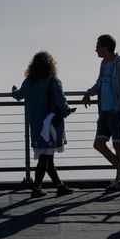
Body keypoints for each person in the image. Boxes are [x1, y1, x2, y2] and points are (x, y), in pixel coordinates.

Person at [12, 51, 74, 198]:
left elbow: (19, 95)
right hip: (50, 125)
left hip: (36, 125)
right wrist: (67, 111)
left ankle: (59, 186)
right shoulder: (53, 80)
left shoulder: (29, 81)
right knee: (45, 158)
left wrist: (13, 91)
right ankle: (36, 188)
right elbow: (60, 100)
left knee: (48, 156)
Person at [82, 34, 120, 192]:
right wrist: (88, 93)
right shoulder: (104, 63)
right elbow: (99, 84)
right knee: (98, 144)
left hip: (116, 112)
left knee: (117, 144)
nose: (96, 49)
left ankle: (119, 179)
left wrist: (117, 107)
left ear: (106, 47)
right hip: (104, 111)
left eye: (98, 46)